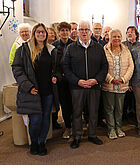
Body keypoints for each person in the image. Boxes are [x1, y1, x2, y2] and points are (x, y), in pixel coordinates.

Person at [12, 23, 58, 156]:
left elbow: (55, 68)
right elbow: (17, 69)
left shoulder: (51, 50)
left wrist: (55, 76)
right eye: (38, 32)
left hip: (48, 91)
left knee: (45, 119)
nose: (41, 34)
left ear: (46, 34)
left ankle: (42, 142)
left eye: (43, 32)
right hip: (33, 91)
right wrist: (28, 86)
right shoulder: (24, 49)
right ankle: (34, 143)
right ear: (34, 34)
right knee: (36, 120)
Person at [63, 20, 108, 149]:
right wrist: (77, 81)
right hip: (77, 87)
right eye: (81, 30)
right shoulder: (71, 48)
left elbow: (104, 67)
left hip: (94, 86)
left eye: (86, 30)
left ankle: (92, 135)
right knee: (77, 112)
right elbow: (66, 68)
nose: (84, 32)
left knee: (93, 112)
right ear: (78, 32)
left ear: (90, 32)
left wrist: (96, 80)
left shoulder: (98, 47)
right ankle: (77, 136)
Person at [102, 29, 134, 139]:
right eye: (114, 36)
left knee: (119, 108)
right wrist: (111, 79)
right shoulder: (104, 50)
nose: (116, 38)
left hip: (121, 85)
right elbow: (101, 67)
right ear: (110, 38)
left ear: (121, 38)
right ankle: (111, 129)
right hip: (109, 85)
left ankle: (118, 127)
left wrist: (123, 79)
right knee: (109, 108)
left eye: (118, 36)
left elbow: (131, 66)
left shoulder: (126, 50)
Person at [52, 21, 74, 138]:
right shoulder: (54, 46)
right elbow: (53, 65)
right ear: (58, 32)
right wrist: (60, 75)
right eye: (62, 30)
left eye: (67, 30)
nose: (65, 32)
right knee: (65, 105)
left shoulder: (75, 44)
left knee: (74, 104)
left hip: (73, 80)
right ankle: (68, 127)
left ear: (70, 32)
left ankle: (75, 126)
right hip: (61, 81)